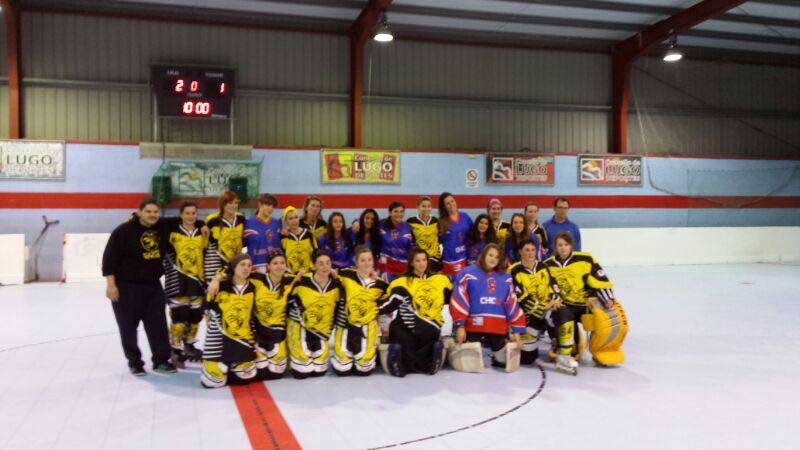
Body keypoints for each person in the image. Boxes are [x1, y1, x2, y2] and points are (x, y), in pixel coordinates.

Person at [102, 198, 177, 376]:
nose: (152, 215)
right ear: (139, 212)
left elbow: (186, 219)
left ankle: (161, 360)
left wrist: (201, 224)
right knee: (128, 327)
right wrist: (111, 286)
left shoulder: (162, 227)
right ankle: (135, 362)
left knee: (158, 326)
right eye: (148, 211)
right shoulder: (123, 231)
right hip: (126, 287)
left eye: (155, 212)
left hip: (152, 286)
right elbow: (109, 261)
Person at [543, 232, 627, 367]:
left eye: (566, 244)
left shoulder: (585, 259)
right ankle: (565, 344)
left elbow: (600, 279)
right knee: (553, 315)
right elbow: (548, 287)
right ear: (555, 247)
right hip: (566, 307)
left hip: (586, 304)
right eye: (560, 245)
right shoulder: (548, 265)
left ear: (571, 246)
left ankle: (602, 350)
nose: (563, 248)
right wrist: (554, 300)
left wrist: (607, 298)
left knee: (609, 319)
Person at [379, 247, 452, 377]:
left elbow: (454, 298)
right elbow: (386, 305)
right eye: (417, 261)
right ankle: (400, 363)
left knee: (429, 334)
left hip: (429, 325)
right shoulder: (401, 282)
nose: (421, 263)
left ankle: (432, 359)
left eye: (424, 260)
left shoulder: (440, 280)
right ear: (411, 263)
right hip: (405, 326)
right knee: (403, 337)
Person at [450, 244, 525, 370]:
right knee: (469, 363)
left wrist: (516, 331)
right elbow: (459, 300)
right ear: (484, 255)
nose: (493, 259)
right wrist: (460, 326)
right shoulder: (468, 273)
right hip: (473, 325)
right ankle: (452, 343)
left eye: (496, 257)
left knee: (505, 362)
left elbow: (512, 304)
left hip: (497, 327)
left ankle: (499, 349)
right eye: (490, 255)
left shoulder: (506, 278)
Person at [508, 239, 578, 375]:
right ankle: (512, 338)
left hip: (547, 311)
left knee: (564, 313)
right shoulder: (513, 270)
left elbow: (554, 287)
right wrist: (545, 306)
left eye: (533, 250)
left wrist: (554, 301)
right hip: (529, 316)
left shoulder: (543, 267)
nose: (530, 253)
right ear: (520, 253)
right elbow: (522, 299)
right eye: (527, 250)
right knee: (527, 359)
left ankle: (564, 356)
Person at [200, 253, 259, 388]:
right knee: (213, 382)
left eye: (249, 265)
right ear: (234, 267)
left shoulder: (253, 287)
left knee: (245, 379)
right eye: (242, 265)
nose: (246, 268)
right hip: (219, 339)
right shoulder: (221, 286)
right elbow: (205, 307)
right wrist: (216, 280)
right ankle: (221, 365)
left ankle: (232, 366)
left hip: (242, 339)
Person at [331, 245, 388, 376]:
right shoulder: (346, 274)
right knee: (342, 369)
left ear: (373, 261)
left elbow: (390, 297)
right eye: (362, 260)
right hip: (347, 325)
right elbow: (329, 272)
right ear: (356, 262)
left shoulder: (380, 284)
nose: (366, 263)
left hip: (367, 327)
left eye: (369, 259)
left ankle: (372, 354)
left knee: (364, 369)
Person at [163, 201, 208, 366]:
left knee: (195, 317)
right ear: (181, 215)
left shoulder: (202, 232)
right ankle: (175, 350)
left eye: (193, 213)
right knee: (179, 318)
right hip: (177, 282)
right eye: (187, 213)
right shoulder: (171, 232)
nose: (190, 216)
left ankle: (189, 346)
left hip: (197, 282)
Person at [286, 250, 342, 378]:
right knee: (302, 372)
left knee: (319, 371)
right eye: (321, 264)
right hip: (302, 327)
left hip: (322, 331)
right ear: (314, 265)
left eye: (328, 263)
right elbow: (286, 298)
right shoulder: (302, 280)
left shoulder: (336, 283)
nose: (325, 267)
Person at [204, 191, 246, 282]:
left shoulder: (241, 218)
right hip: (216, 264)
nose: (233, 206)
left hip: (236, 263)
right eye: (230, 203)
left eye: (236, 203)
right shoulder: (212, 220)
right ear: (222, 204)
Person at [243, 194, 282, 274]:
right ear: (260, 204)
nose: (270, 208)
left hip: (273, 268)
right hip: (255, 268)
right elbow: (242, 246)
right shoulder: (248, 224)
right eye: (268, 205)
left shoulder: (276, 223)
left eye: (272, 206)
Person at [438, 192, 473, 278]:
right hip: (451, 261)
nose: (451, 204)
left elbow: (473, 234)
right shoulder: (441, 222)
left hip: (466, 257)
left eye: (452, 201)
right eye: (447, 203)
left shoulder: (465, 216)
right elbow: (438, 241)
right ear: (444, 207)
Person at [378, 202, 414, 283]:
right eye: (396, 211)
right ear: (390, 212)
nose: (399, 214)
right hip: (386, 267)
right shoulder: (381, 224)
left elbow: (411, 249)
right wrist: (356, 222)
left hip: (403, 267)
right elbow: (366, 222)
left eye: (401, 211)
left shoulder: (408, 228)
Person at [407, 196, 441, 272]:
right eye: (423, 206)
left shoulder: (435, 221)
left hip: (434, 258)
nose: (426, 209)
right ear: (418, 207)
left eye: (429, 206)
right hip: (420, 260)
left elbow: (439, 239)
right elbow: (410, 241)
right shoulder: (411, 221)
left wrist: (439, 256)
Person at [280, 205, 316, 274]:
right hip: (291, 274)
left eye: (296, 217)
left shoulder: (308, 234)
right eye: (290, 219)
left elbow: (316, 252)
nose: (294, 221)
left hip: (308, 273)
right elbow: (282, 257)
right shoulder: (283, 237)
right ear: (285, 221)